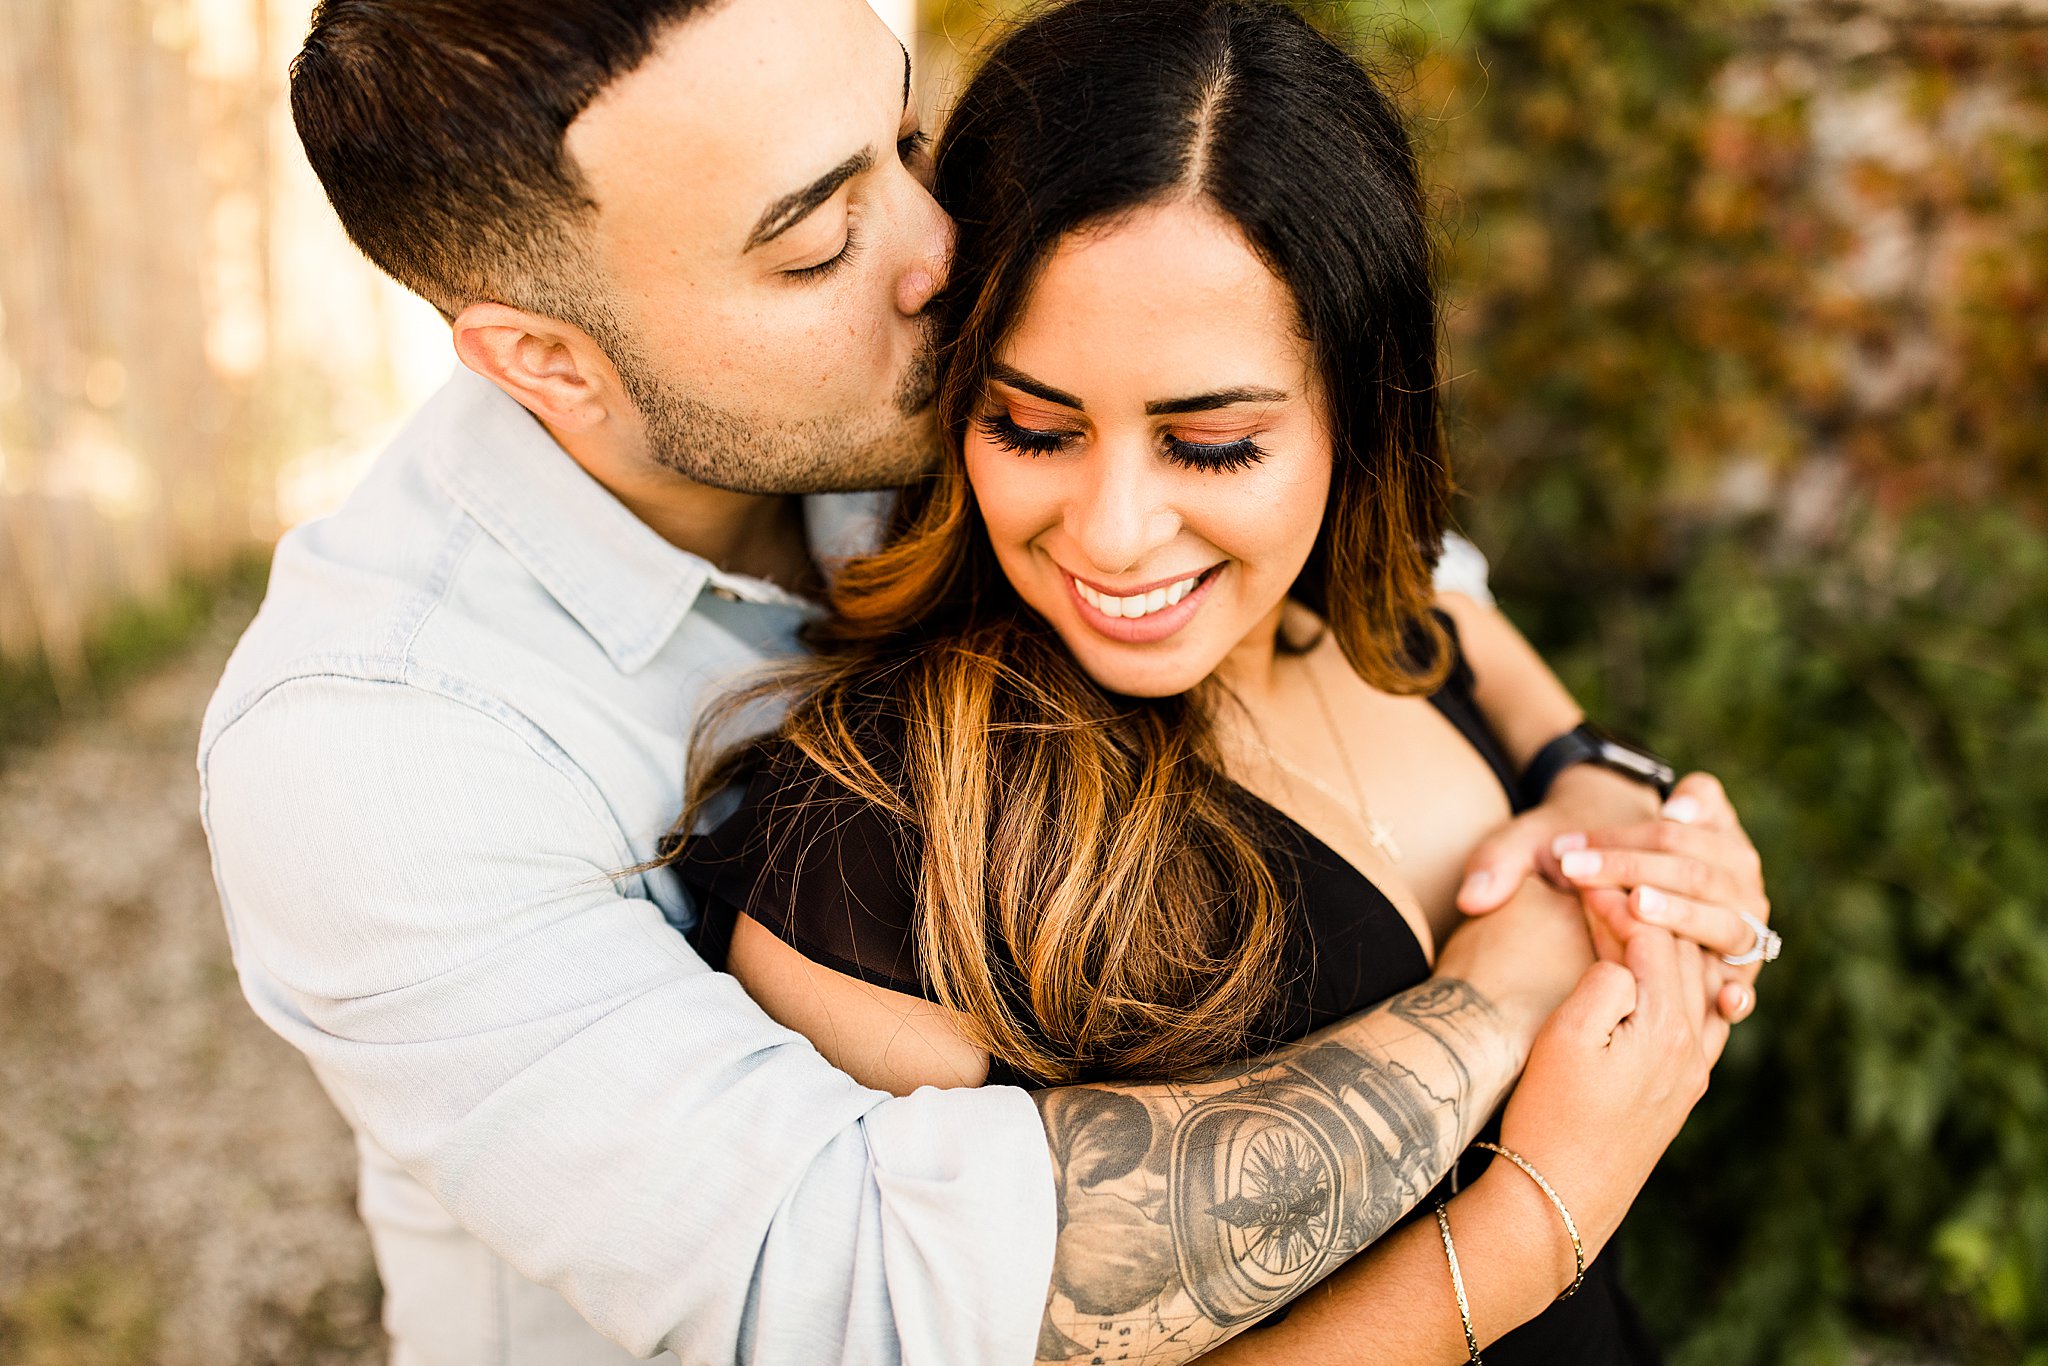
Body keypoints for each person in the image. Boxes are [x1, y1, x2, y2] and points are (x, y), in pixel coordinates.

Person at [199, 0, 1775, 1361]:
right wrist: (1517, 1019)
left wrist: (1590, 782)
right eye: (817, 238)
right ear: (548, 359)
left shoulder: (906, 385)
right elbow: (890, 1297)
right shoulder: (374, 754)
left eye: (902, 137)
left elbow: (1369, 542)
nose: (942, 248)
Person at [666, 3, 1754, 1361]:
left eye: (1216, 443)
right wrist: (1537, 1217)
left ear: (1359, 405)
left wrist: (1659, 846)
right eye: (1031, 423)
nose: (1113, 530)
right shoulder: (888, 823)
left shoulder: (1402, 617)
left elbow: (1588, 764)